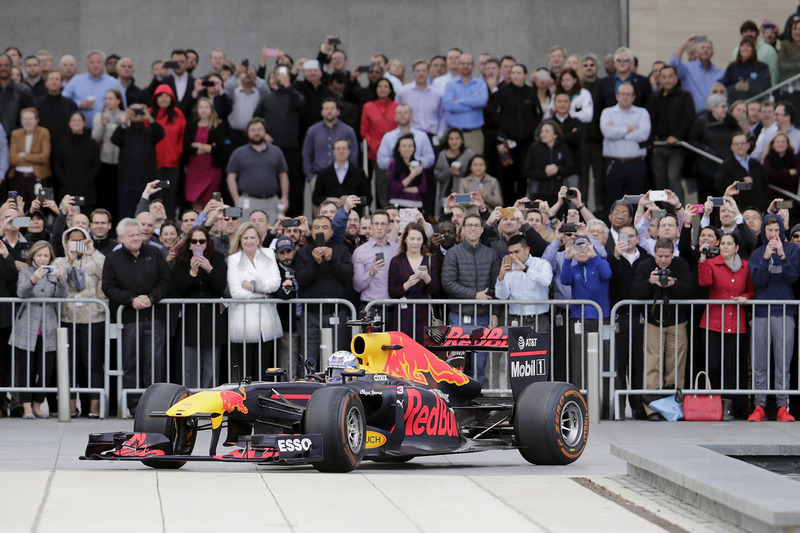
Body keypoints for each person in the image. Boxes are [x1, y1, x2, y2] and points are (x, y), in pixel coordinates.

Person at [101, 218, 171, 415]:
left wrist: (151, 298)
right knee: (130, 363)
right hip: (129, 319)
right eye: (131, 235)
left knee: (156, 362)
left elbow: (166, 280)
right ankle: (132, 406)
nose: (136, 238)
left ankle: (156, 405)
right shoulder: (113, 259)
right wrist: (130, 300)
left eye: (138, 234)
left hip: (154, 316)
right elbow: (108, 286)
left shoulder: (155, 253)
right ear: (121, 238)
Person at [631, 237, 693, 421]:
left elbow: (690, 290)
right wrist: (650, 282)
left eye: (667, 256)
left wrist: (675, 285)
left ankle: (674, 407)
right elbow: (634, 292)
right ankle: (652, 409)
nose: (663, 260)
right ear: (654, 254)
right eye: (660, 256)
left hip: (677, 321)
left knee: (676, 366)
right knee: (652, 366)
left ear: (673, 254)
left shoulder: (681, 265)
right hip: (652, 321)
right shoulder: (645, 265)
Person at [748, 214, 800, 422]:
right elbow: (757, 281)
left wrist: (783, 256)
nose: (773, 234)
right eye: (769, 231)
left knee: (783, 363)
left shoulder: (793, 250)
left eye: (777, 230)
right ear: (764, 232)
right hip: (761, 312)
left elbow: (793, 277)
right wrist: (767, 258)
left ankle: (782, 406)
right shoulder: (757, 253)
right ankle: (759, 405)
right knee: (759, 363)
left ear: (782, 231)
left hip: (784, 311)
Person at [697, 233, 754, 419]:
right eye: (723, 243)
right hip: (714, 322)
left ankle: (731, 406)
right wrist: (703, 259)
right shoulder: (712, 263)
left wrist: (747, 297)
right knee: (713, 365)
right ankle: (714, 404)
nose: (726, 247)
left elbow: (751, 289)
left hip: (736, 322)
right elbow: (704, 282)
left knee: (732, 366)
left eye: (730, 244)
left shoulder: (746, 266)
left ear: (737, 247)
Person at [441, 213, 500, 386]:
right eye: (469, 225)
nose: (473, 228)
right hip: (459, 314)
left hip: (483, 316)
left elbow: (497, 285)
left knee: (479, 363)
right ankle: (457, 401)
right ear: (463, 229)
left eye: (476, 225)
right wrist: (475, 295)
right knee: (457, 362)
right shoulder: (453, 253)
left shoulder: (491, 254)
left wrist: (495, 313)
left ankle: (478, 399)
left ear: (482, 230)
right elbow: (448, 283)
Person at [52, 226, 105, 418]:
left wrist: (92, 251)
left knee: (93, 363)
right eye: (72, 240)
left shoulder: (96, 258)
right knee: (69, 364)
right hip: (69, 317)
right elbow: (58, 279)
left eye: (80, 240)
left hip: (94, 317)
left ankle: (94, 407)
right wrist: (70, 258)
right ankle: (71, 407)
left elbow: (105, 274)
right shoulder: (60, 260)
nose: (76, 244)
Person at [10, 240, 67, 419]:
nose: (43, 259)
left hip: (49, 324)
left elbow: (61, 297)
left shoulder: (54, 273)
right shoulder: (26, 271)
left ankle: (37, 405)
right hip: (27, 324)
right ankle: (26, 407)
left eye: (46, 256)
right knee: (25, 368)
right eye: (39, 255)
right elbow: (21, 293)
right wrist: (33, 279)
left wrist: (61, 280)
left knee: (46, 369)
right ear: (33, 256)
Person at [294, 215, 353, 372]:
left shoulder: (341, 251)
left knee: (336, 356)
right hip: (310, 313)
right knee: (309, 355)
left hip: (335, 312)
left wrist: (332, 260)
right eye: (317, 227)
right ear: (311, 231)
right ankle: (306, 387)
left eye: (325, 228)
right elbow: (301, 280)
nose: (321, 231)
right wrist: (315, 262)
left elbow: (347, 277)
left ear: (332, 231)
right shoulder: (302, 252)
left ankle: (335, 388)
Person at [225, 222, 282, 382]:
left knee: (264, 368)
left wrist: (252, 286)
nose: (249, 241)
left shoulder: (269, 254)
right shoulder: (233, 259)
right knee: (245, 369)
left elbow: (275, 283)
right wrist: (262, 293)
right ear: (240, 239)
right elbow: (236, 292)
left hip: (266, 321)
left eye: (252, 237)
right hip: (243, 321)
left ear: (259, 239)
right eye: (245, 238)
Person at [172, 225, 227, 388]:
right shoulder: (181, 261)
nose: (198, 245)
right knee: (190, 365)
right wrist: (192, 272)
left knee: (211, 365)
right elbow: (178, 288)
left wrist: (209, 269)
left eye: (202, 241)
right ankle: (191, 398)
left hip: (212, 320)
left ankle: (208, 400)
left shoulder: (217, 259)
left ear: (207, 243)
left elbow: (220, 286)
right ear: (189, 244)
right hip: (190, 319)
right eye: (194, 241)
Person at [598, 83, 650, 215]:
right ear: (617, 96)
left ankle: (635, 231)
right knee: (612, 201)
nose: (625, 97)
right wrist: (629, 128)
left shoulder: (642, 113)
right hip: (614, 164)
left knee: (636, 202)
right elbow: (607, 132)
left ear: (633, 97)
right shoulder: (607, 112)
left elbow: (643, 134)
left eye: (628, 94)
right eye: (622, 94)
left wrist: (617, 131)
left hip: (636, 164)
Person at [646, 66, 695, 203]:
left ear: (676, 78)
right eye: (664, 77)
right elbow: (649, 120)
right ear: (660, 79)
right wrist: (650, 141)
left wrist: (677, 136)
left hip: (677, 146)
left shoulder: (685, 96)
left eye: (670, 76)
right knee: (659, 179)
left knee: (673, 177)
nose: (667, 80)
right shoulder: (654, 97)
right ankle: (662, 214)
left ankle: (679, 212)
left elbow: (688, 119)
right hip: (658, 145)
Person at [226, 117, 289, 222]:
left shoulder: (276, 152)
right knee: (247, 234)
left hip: (271, 202)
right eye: (253, 130)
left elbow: (283, 175)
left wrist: (285, 197)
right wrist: (237, 199)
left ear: (264, 131)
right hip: (247, 202)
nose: (256, 133)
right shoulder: (239, 153)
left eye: (259, 129)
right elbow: (231, 177)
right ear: (248, 133)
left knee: (272, 234)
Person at [494, 64, 542, 202]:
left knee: (523, 174)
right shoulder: (502, 91)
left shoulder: (531, 92)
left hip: (526, 141)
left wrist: (529, 130)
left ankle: (520, 206)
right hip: (504, 142)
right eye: (513, 72)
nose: (515, 75)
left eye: (518, 72)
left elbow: (538, 114)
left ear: (525, 75)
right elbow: (496, 114)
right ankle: (507, 207)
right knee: (506, 174)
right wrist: (506, 129)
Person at [388, 222, 441, 341]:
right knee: (403, 348)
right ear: (405, 239)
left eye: (419, 239)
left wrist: (427, 278)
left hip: (424, 311)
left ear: (423, 240)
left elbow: (436, 289)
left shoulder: (430, 260)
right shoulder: (397, 261)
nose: (415, 242)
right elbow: (392, 292)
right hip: (403, 313)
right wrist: (407, 285)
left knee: (423, 350)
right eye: (412, 239)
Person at [111, 103, 165, 218]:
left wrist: (149, 118)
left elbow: (160, 134)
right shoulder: (124, 130)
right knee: (126, 212)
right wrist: (126, 120)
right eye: (134, 111)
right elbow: (115, 139)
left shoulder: (149, 131)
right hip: (127, 180)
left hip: (147, 179)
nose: (137, 114)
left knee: (148, 212)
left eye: (140, 111)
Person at [495, 234, 552, 331]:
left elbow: (546, 281)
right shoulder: (509, 268)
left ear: (527, 250)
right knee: (516, 347)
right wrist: (501, 278)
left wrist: (526, 269)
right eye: (510, 253)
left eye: (516, 252)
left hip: (540, 318)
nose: (513, 256)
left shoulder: (541, 263)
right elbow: (502, 296)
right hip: (515, 318)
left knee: (541, 347)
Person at [689, 95, 740, 202]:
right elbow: (692, 141)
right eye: (723, 106)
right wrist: (706, 150)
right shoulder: (701, 122)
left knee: (725, 201)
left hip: (725, 169)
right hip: (706, 168)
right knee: (708, 200)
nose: (726, 109)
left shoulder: (730, 121)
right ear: (713, 108)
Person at [62, 50, 126, 126]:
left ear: (103, 64)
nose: (95, 65)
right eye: (92, 63)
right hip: (81, 131)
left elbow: (123, 107)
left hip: (106, 130)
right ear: (87, 65)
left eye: (98, 62)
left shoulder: (114, 83)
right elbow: (62, 101)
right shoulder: (76, 81)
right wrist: (79, 104)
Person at [149, 84, 186, 218]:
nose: (164, 99)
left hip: (173, 163)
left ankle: (170, 222)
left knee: (171, 195)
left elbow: (182, 137)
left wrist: (178, 152)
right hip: (154, 164)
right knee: (156, 196)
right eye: (161, 96)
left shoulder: (178, 114)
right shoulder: (149, 114)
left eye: (167, 96)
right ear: (155, 98)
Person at [351, 209, 398, 309]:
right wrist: (371, 272)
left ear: (389, 226)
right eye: (376, 224)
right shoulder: (360, 252)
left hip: (393, 308)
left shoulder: (397, 249)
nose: (379, 227)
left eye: (383, 224)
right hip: (369, 307)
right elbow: (357, 286)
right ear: (371, 226)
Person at [183, 97, 224, 212]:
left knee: (209, 199)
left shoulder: (218, 125)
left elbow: (219, 148)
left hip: (211, 168)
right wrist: (208, 147)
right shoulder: (191, 125)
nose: (203, 110)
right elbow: (187, 147)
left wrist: (200, 146)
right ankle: (197, 225)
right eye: (201, 107)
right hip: (195, 167)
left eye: (206, 107)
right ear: (197, 109)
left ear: (211, 109)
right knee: (195, 198)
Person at [443, 54, 489, 154]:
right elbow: (448, 105)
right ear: (458, 65)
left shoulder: (480, 84)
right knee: (456, 166)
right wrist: (473, 104)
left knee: (476, 165)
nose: (465, 66)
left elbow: (482, 101)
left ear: (473, 66)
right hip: (455, 134)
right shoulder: (451, 84)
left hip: (474, 133)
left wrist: (460, 100)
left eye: (468, 63)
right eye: (463, 63)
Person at [54, 112, 100, 210]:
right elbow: (57, 164)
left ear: (84, 123)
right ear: (69, 124)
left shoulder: (92, 144)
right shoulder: (62, 143)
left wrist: (88, 179)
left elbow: (96, 165)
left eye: (79, 120)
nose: (76, 123)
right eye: (73, 120)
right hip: (67, 188)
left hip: (87, 189)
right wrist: (64, 180)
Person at [91, 89, 125, 222]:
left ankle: (115, 221)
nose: (107, 101)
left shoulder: (124, 116)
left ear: (118, 101)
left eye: (111, 98)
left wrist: (121, 126)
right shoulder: (99, 116)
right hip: (103, 159)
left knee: (116, 193)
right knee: (103, 192)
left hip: (119, 160)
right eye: (106, 98)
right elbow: (94, 138)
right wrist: (103, 125)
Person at [524, 120, 576, 207]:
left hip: (558, 193)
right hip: (538, 192)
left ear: (555, 135)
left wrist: (557, 170)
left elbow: (570, 167)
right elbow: (527, 170)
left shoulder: (563, 147)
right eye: (542, 131)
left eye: (547, 131)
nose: (543, 134)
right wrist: (545, 174)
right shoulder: (534, 148)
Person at [670, 35, 725, 114]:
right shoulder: (687, 68)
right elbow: (673, 65)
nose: (705, 50)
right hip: (692, 116)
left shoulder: (720, 73)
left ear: (712, 53)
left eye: (708, 48)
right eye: (702, 48)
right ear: (697, 52)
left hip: (714, 117)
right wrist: (684, 45)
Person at [714, 132, 768, 211]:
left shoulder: (756, 164)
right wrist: (741, 180)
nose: (740, 146)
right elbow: (720, 185)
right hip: (737, 211)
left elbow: (765, 185)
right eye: (736, 144)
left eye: (742, 143)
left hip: (757, 210)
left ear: (748, 145)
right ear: (732, 146)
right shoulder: (726, 165)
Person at [8, 107, 50, 206]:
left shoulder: (44, 132)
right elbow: (13, 159)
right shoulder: (15, 134)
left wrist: (24, 156)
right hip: (18, 178)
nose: (27, 121)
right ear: (21, 121)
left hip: (37, 177)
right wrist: (35, 158)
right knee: (18, 208)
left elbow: (44, 157)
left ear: (37, 120)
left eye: (30, 118)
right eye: (24, 119)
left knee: (38, 208)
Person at [312, 138, 371, 208]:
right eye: (338, 148)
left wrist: (351, 200)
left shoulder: (359, 173)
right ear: (333, 151)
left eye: (344, 148)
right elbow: (315, 198)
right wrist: (328, 200)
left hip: (352, 216)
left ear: (349, 151)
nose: (341, 151)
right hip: (331, 215)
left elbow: (368, 198)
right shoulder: (323, 174)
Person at [396, 59, 446, 140]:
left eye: (424, 71)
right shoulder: (403, 92)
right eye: (418, 71)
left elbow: (443, 116)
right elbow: (397, 114)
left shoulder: (437, 94)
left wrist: (440, 135)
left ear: (428, 72)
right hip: (410, 136)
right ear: (413, 73)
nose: (421, 74)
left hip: (432, 135)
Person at [433, 128, 474, 218]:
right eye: (451, 139)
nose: (454, 141)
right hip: (445, 194)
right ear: (447, 141)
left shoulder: (468, 153)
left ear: (462, 140)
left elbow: (474, 173)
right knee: (446, 218)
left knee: (461, 216)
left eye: (457, 138)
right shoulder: (442, 154)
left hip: (463, 194)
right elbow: (437, 175)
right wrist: (449, 171)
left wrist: (460, 172)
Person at [719, 38, 771, 103]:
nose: (745, 48)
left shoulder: (762, 67)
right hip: (734, 104)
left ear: (753, 50)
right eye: (742, 45)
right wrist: (735, 87)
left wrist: (749, 87)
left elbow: (766, 87)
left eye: (748, 46)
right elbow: (724, 86)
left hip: (755, 104)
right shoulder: (732, 66)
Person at [388, 134, 427, 209]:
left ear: (414, 148)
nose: (407, 149)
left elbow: (423, 188)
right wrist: (412, 175)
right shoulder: (393, 164)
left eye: (410, 146)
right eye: (404, 146)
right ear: (398, 148)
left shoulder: (418, 164)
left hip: (416, 205)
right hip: (397, 204)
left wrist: (403, 188)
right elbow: (395, 188)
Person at [762, 132, 800, 202]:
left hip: (791, 198)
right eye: (778, 142)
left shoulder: (796, 158)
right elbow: (768, 176)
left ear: (787, 144)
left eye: (783, 142)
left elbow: (797, 177)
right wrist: (788, 173)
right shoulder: (767, 159)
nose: (780, 144)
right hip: (773, 199)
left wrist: (777, 176)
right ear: (773, 144)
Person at [778, 16, 800, 82]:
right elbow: (780, 64)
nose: (797, 32)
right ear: (790, 31)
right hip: (788, 84)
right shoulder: (784, 44)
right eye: (794, 29)